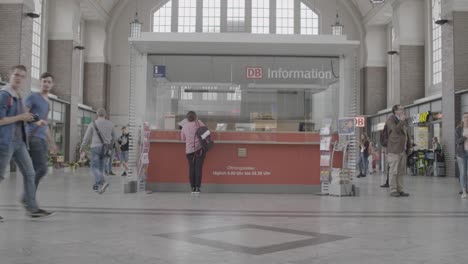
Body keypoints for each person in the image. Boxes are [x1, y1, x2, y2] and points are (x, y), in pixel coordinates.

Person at [0, 65, 55, 220]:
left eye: (22, 76)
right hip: (5, 141)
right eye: (16, 75)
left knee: (30, 173)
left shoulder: (18, 95)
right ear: (10, 75)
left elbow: (23, 116)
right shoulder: (4, 95)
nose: (19, 78)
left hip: (19, 142)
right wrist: (21, 118)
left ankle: (32, 208)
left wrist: (35, 120)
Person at [23, 72, 58, 207]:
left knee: (36, 170)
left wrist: (52, 143)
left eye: (49, 82)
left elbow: (45, 125)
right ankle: (28, 197)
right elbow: (23, 114)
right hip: (33, 137)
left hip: (42, 139)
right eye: (44, 81)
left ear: (52, 84)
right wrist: (35, 121)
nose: (47, 84)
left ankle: (28, 197)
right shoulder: (33, 97)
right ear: (40, 82)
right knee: (42, 169)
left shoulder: (47, 102)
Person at [80, 108, 115, 194]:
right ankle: (98, 187)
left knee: (94, 167)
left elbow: (87, 137)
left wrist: (82, 147)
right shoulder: (110, 124)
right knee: (101, 168)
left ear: (97, 114)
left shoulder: (93, 123)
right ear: (105, 115)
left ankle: (102, 181)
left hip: (95, 147)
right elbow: (114, 137)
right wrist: (110, 146)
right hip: (106, 148)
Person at [386, 104, 411, 197]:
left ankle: (400, 189)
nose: (403, 111)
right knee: (394, 171)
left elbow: (406, 134)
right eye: (401, 109)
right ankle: (393, 190)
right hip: (394, 150)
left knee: (401, 171)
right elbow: (395, 130)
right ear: (395, 111)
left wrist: (409, 146)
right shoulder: (390, 120)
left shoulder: (403, 120)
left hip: (402, 150)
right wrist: (401, 121)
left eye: (403, 109)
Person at [181, 111, 206, 193]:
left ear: (187, 118)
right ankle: (198, 188)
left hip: (189, 151)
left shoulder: (184, 126)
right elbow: (206, 133)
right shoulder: (199, 123)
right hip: (199, 149)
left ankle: (192, 188)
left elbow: (183, 139)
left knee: (192, 168)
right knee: (198, 168)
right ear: (196, 117)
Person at [455, 113, 468, 198]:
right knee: (463, 172)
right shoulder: (459, 129)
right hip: (461, 153)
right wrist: (465, 137)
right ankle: (464, 191)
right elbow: (457, 141)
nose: (466, 119)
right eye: (465, 117)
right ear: (462, 119)